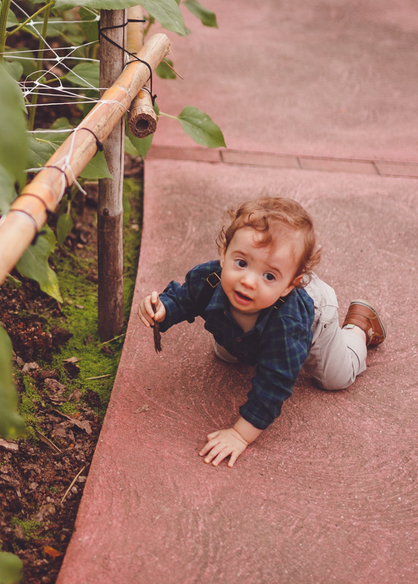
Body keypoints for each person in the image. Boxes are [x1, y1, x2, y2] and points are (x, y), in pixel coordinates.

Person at [136, 196, 386, 468]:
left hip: (315, 317)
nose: (248, 281)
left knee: (336, 378)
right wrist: (163, 309)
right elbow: (185, 298)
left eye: (269, 275)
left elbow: (275, 384)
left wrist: (240, 435)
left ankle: (358, 328)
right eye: (241, 263)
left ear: (291, 284)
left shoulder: (289, 325)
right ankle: (248, 336)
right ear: (224, 252)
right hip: (256, 321)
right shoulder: (210, 278)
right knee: (228, 354)